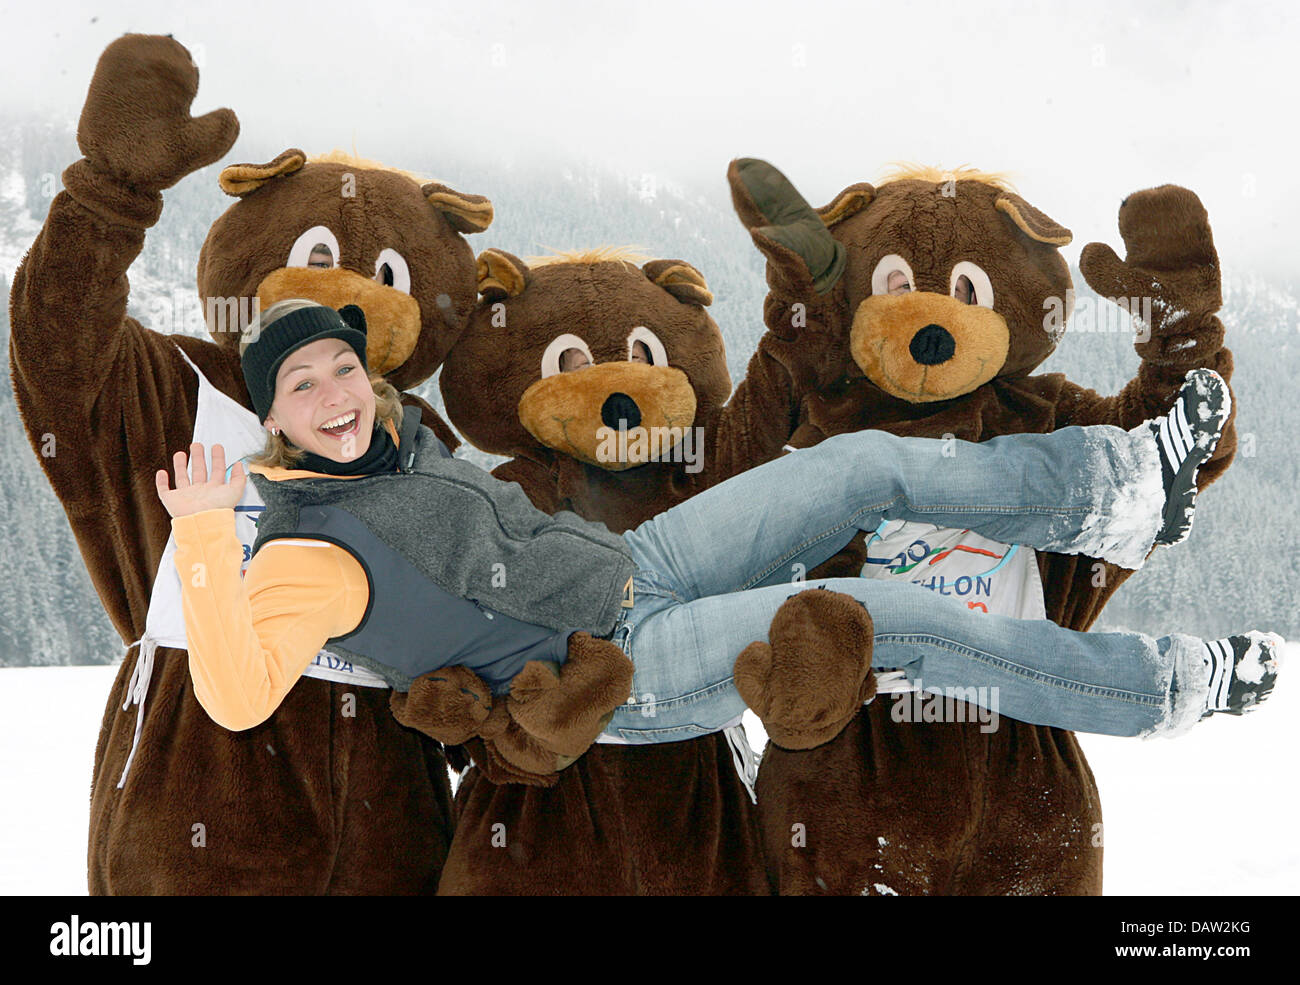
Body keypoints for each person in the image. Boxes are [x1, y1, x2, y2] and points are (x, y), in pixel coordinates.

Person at [156, 300, 1282, 748]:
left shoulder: (400, 450)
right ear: (273, 419)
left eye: (341, 367)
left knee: (854, 466)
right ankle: (1165, 687)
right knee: (890, 621)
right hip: (619, 666)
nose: (333, 393)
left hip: (634, 567)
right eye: (299, 384)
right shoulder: (305, 552)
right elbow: (236, 692)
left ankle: (1121, 489)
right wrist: (208, 530)